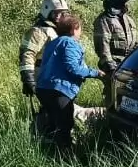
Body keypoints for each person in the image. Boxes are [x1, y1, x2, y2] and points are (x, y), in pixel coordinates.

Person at [18, 0, 103, 124]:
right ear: (47, 11)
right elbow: (27, 54)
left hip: (59, 80)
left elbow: (69, 57)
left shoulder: (57, 31)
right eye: (55, 13)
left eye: (61, 13)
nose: (58, 16)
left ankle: (49, 134)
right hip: (44, 76)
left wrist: (83, 71)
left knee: (57, 111)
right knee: (56, 112)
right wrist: (28, 77)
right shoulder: (39, 31)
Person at [36, 14, 104, 154]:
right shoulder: (70, 43)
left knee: (53, 123)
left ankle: (48, 152)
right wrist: (95, 73)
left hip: (43, 88)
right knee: (65, 124)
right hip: (59, 89)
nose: (81, 32)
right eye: (80, 29)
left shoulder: (53, 43)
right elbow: (73, 67)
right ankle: (65, 156)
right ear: (74, 29)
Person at [93, 0, 138, 107]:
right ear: (120, 3)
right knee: (113, 100)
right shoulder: (104, 21)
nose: (129, 5)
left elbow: (136, 45)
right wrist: (113, 70)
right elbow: (103, 49)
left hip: (129, 66)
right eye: (127, 2)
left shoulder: (129, 20)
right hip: (113, 68)